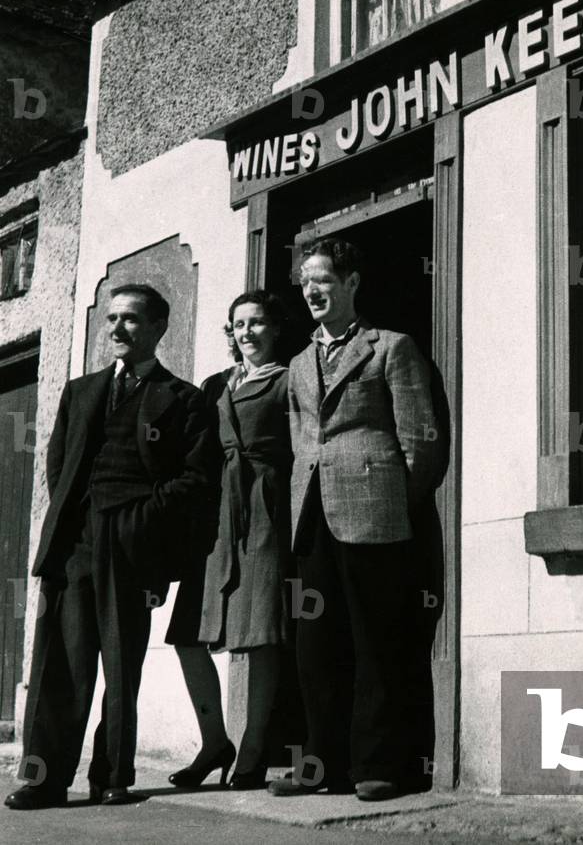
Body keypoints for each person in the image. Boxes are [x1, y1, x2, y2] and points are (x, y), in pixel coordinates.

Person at [5, 284, 213, 810]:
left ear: (158, 328)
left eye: (132, 320)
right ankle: (45, 779)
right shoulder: (80, 392)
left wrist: (139, 521)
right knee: (61, 665)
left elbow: (196, 479)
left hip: (133, 548)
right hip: (75, 544)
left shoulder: (184, 399)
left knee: (122, 665)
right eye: (113, 318)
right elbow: (58, 464)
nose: (117, 329)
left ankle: (112, 777)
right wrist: (76, 523)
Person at [268, 238, 439, 802]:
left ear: (351, 283)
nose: (312, 291)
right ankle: (320, 764)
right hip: (312, 513)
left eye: (322, 280)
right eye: (305, 283)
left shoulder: (391, 347)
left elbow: (421, 442)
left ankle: (376, 763)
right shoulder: (296, 364)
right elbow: (300, 442)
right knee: (315, 646)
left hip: (375, 513)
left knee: (376, 642)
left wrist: (393, 502)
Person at [164, 291, 293, 790]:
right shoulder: (214, 385)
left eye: (258, 323)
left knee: (261, 633)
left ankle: (254, 747)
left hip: (265, 508)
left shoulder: (289, 379)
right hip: (215, 515)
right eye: (239, 324)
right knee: (188, 636)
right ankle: (215, 741)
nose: (247, 333)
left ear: (275, 328)